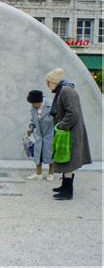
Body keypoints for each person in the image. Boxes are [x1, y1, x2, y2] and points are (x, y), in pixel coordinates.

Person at [45, 68, 92, 200]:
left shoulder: (66, 91)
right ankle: (64, 187)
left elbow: (73, 113)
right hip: (67, 132)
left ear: (54, 81)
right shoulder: (64, 90)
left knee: (67, 159)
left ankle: (68, 191)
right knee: (65, 159)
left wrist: (61, 125)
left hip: (69, 132)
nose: (48, 85)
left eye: (48, 82)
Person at [26, 90, 54, 181]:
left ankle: (51, 173)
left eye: (34, 103)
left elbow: (58, 119)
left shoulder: (51, 106)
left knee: (51, 154)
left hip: (50, 133)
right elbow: (33, 120)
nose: (32, 105)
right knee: (38, 155)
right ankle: (38, 173)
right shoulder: (34, 107)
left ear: (39, 101)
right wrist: (30, 128)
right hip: (38, 134)